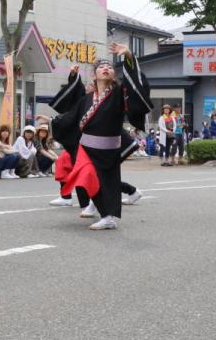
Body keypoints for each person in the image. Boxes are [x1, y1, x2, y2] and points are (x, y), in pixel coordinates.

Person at [50, 43, 151, 230]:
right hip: (86, 148)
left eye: (110, 67)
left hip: (108, 149)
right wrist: (53, 121)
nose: (106, 69)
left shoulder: (119, 94)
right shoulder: (88, 98)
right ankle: (100, 210)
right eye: (102, 67)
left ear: (114, 74)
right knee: (86, 177)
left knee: (106, 182)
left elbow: (135, 86)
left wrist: (128, 56)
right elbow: (72, 112)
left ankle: (108, 217)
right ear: (94, 74)